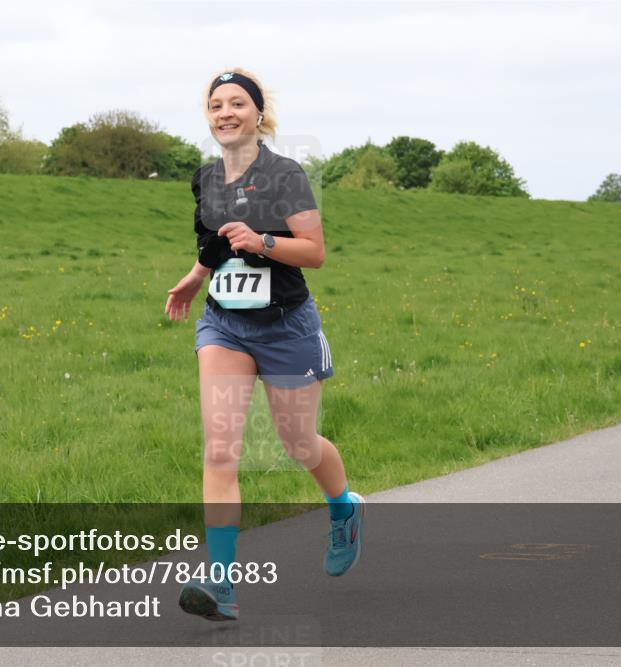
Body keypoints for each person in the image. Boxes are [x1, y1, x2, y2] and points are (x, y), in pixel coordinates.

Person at [164, 68, 364, 622]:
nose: (225, 112)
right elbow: (214, 239)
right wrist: (194, 276)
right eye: (215, 105)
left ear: (257, 114)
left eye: (236, 103)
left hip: (286, 326)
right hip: (225, 324)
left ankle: (343, 507)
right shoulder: (205, 178)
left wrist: (265, 241)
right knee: (220, 447)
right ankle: (221, 584)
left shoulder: (285, 175)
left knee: (298, 444)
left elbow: (315, 251)